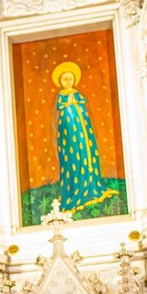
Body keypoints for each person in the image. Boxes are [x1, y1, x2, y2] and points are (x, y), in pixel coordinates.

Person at [51, 61, 118, 215]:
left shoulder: (77, 94)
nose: (68, 82)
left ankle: (91, 183)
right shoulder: (61, 96)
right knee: (74, 157)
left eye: (70, 78)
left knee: (86, 153)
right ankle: (76, 191)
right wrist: (70, 103)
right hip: (69, 135)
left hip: (83, 132)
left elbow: (82, 105)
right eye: (65, 79)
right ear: (60, 81)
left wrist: (75, 103)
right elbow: (61, 108)